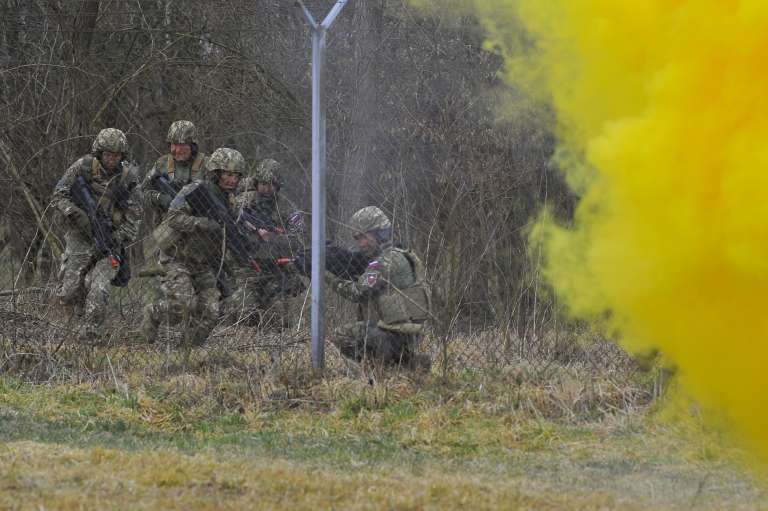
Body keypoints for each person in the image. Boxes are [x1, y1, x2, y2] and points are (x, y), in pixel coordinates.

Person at [140, 147, 245, 345]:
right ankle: (153, 312)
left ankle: (187, 352)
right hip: (178, 257)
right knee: (182, 305)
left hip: (204, 263)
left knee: (211, 312)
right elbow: (173, 218)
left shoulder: (232, 203)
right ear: (217, 173)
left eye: (236, 176)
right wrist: (203, 223)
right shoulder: (195, 190)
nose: (232, 180)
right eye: (228, 174)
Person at [52, 128, 142, 339]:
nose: (112, 159)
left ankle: (92, 335)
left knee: (98, 288)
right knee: (70, 291)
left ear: (123, 156)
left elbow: (134, 221)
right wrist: (76, 214)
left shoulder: (129, 179)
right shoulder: (82, 167)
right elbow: (58, 196)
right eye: (108, 154)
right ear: (99, 152)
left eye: (116, 155)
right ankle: (74, 324)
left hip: (110, 240)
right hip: (79, 238)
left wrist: (115, 239)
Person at [327, 206, 431, 368]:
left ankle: (386, 366)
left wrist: (325, 276)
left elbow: (356, 293)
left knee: (342, 335)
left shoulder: (384, 263)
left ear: (379, 233)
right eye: (358, 238)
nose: (361, 243)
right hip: (406, 332)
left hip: (394, 334)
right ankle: (405, 364)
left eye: (364, 237)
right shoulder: (399, 254)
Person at [222, 158, 305, 325]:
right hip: (245, 269)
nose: (266, 189)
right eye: (263, 184)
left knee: (278, 317)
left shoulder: (287, 208)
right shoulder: (242, 201)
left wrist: (272, 237)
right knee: (244, 311)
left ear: (278, 186)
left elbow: (299, 241)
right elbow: (227, 224)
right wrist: (249, 230)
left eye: (271, 185)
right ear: (256, 183)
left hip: (276, 270)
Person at [140, 120, 207, 219]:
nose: (176, 150)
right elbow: (142, 192)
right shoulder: (162, 163)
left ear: (192, 146)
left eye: (181, 145)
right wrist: (159, 198)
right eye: (173, 144)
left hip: (198, 221)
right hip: (168, 221)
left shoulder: (206, 165)